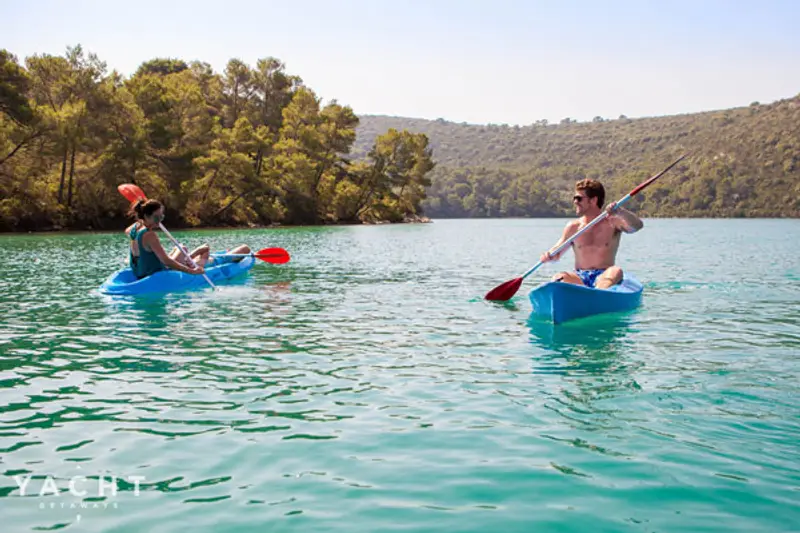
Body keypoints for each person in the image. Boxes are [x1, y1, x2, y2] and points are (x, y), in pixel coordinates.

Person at [539, 179, 643, 289]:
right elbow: (557, 252)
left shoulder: (613, 223)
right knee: (559, 277)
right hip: (580, 277)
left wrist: (620, 211)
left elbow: (637, 226)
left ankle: (598, 294)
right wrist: (548, 255)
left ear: (593, 200)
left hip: (605, 275)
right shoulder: (573, 227)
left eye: (578, 198)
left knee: (616, 271)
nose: (575, 202)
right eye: (574, 198)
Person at [125, 199, 250, 279]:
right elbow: (167, 261)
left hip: (140, 271)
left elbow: (130, 230)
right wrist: (191, 271)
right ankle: (192, 257)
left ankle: (191, 255)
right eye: (157, 218)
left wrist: (146, 214)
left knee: (181, 248)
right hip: (153, 273)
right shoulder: (150, 235)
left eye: (161, 217)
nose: (160, 221)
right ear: (146, 216)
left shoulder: (134, 229)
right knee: (244, 249)